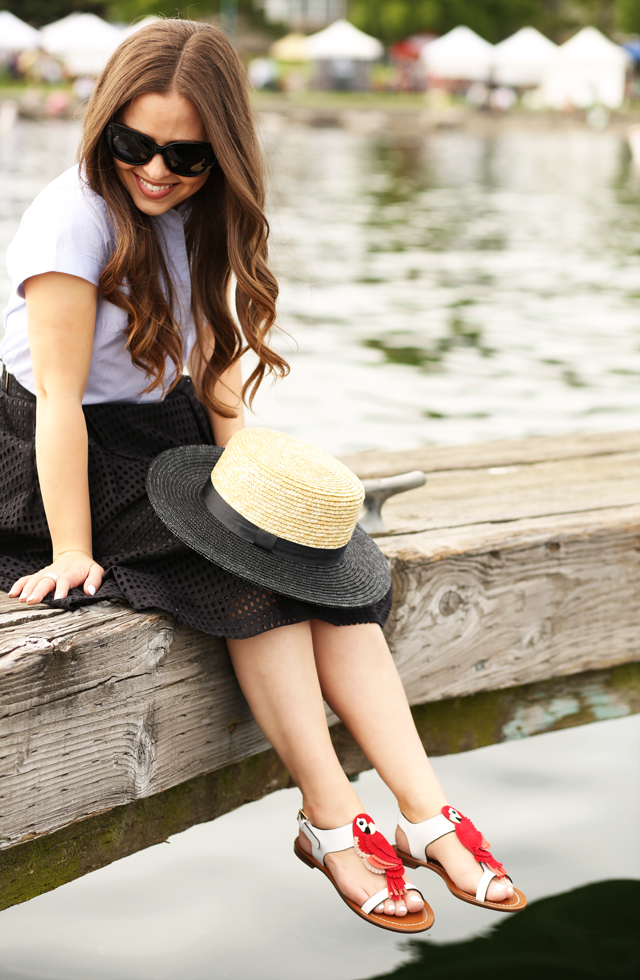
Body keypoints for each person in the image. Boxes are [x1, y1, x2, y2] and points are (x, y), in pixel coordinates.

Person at [0, 20, 525, 931]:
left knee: (321, 557)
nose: (158, 171)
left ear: (222, 156)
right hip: (59, 445)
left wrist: (257, 470)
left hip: (169, 433)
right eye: (135, 145)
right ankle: (330, 822)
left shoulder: (198, 212)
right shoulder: (72, 216)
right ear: (102, 129)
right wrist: (72, 546)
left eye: (187, 156)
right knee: (253, 573)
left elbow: (209, 369)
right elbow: (56, 403)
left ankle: (428, 813)